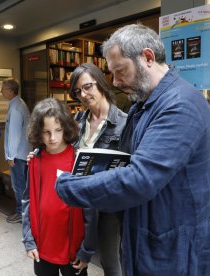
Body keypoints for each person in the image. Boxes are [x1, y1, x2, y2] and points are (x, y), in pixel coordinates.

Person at [55, 24, 210, 275]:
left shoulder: (181, 105)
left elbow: (140, 178)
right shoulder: (143, 106)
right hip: (147, 237)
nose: (116, 82)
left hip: (175, 250)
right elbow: (127, 162)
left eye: (121, 71)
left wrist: (71, 187)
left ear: (148, 57)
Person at [22, 98, 95, 276]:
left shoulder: (79, 161)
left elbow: (90, 210)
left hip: (73, 247)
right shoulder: (34, 160)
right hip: (43, 245)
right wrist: (29, 240)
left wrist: (86, 250)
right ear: (38, 132)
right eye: (46, 132)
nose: (52, 138)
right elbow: (27, 201)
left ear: (66, 129)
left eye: (58, 130)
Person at [69, 63, 127, 275]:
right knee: (77, 252)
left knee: (109, 261)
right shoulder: (77, 120)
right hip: (81, 201)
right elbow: (61, 149)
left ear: (100, 83)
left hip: (108, 205)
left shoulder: (123, 123)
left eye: (87, 87)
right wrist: (38, 154)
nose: (83, 94)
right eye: (77, 91)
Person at [1, 78, 31, 224]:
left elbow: (14, 134)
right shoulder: (19, 104)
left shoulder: (16, 108)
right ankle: (24, 212)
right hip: (21, 154)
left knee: (18, 186)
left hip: (18, 155)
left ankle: (21, 213)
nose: (1, 91)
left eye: (3, 88)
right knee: (22, 185)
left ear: (10, 91)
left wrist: (10, 155)